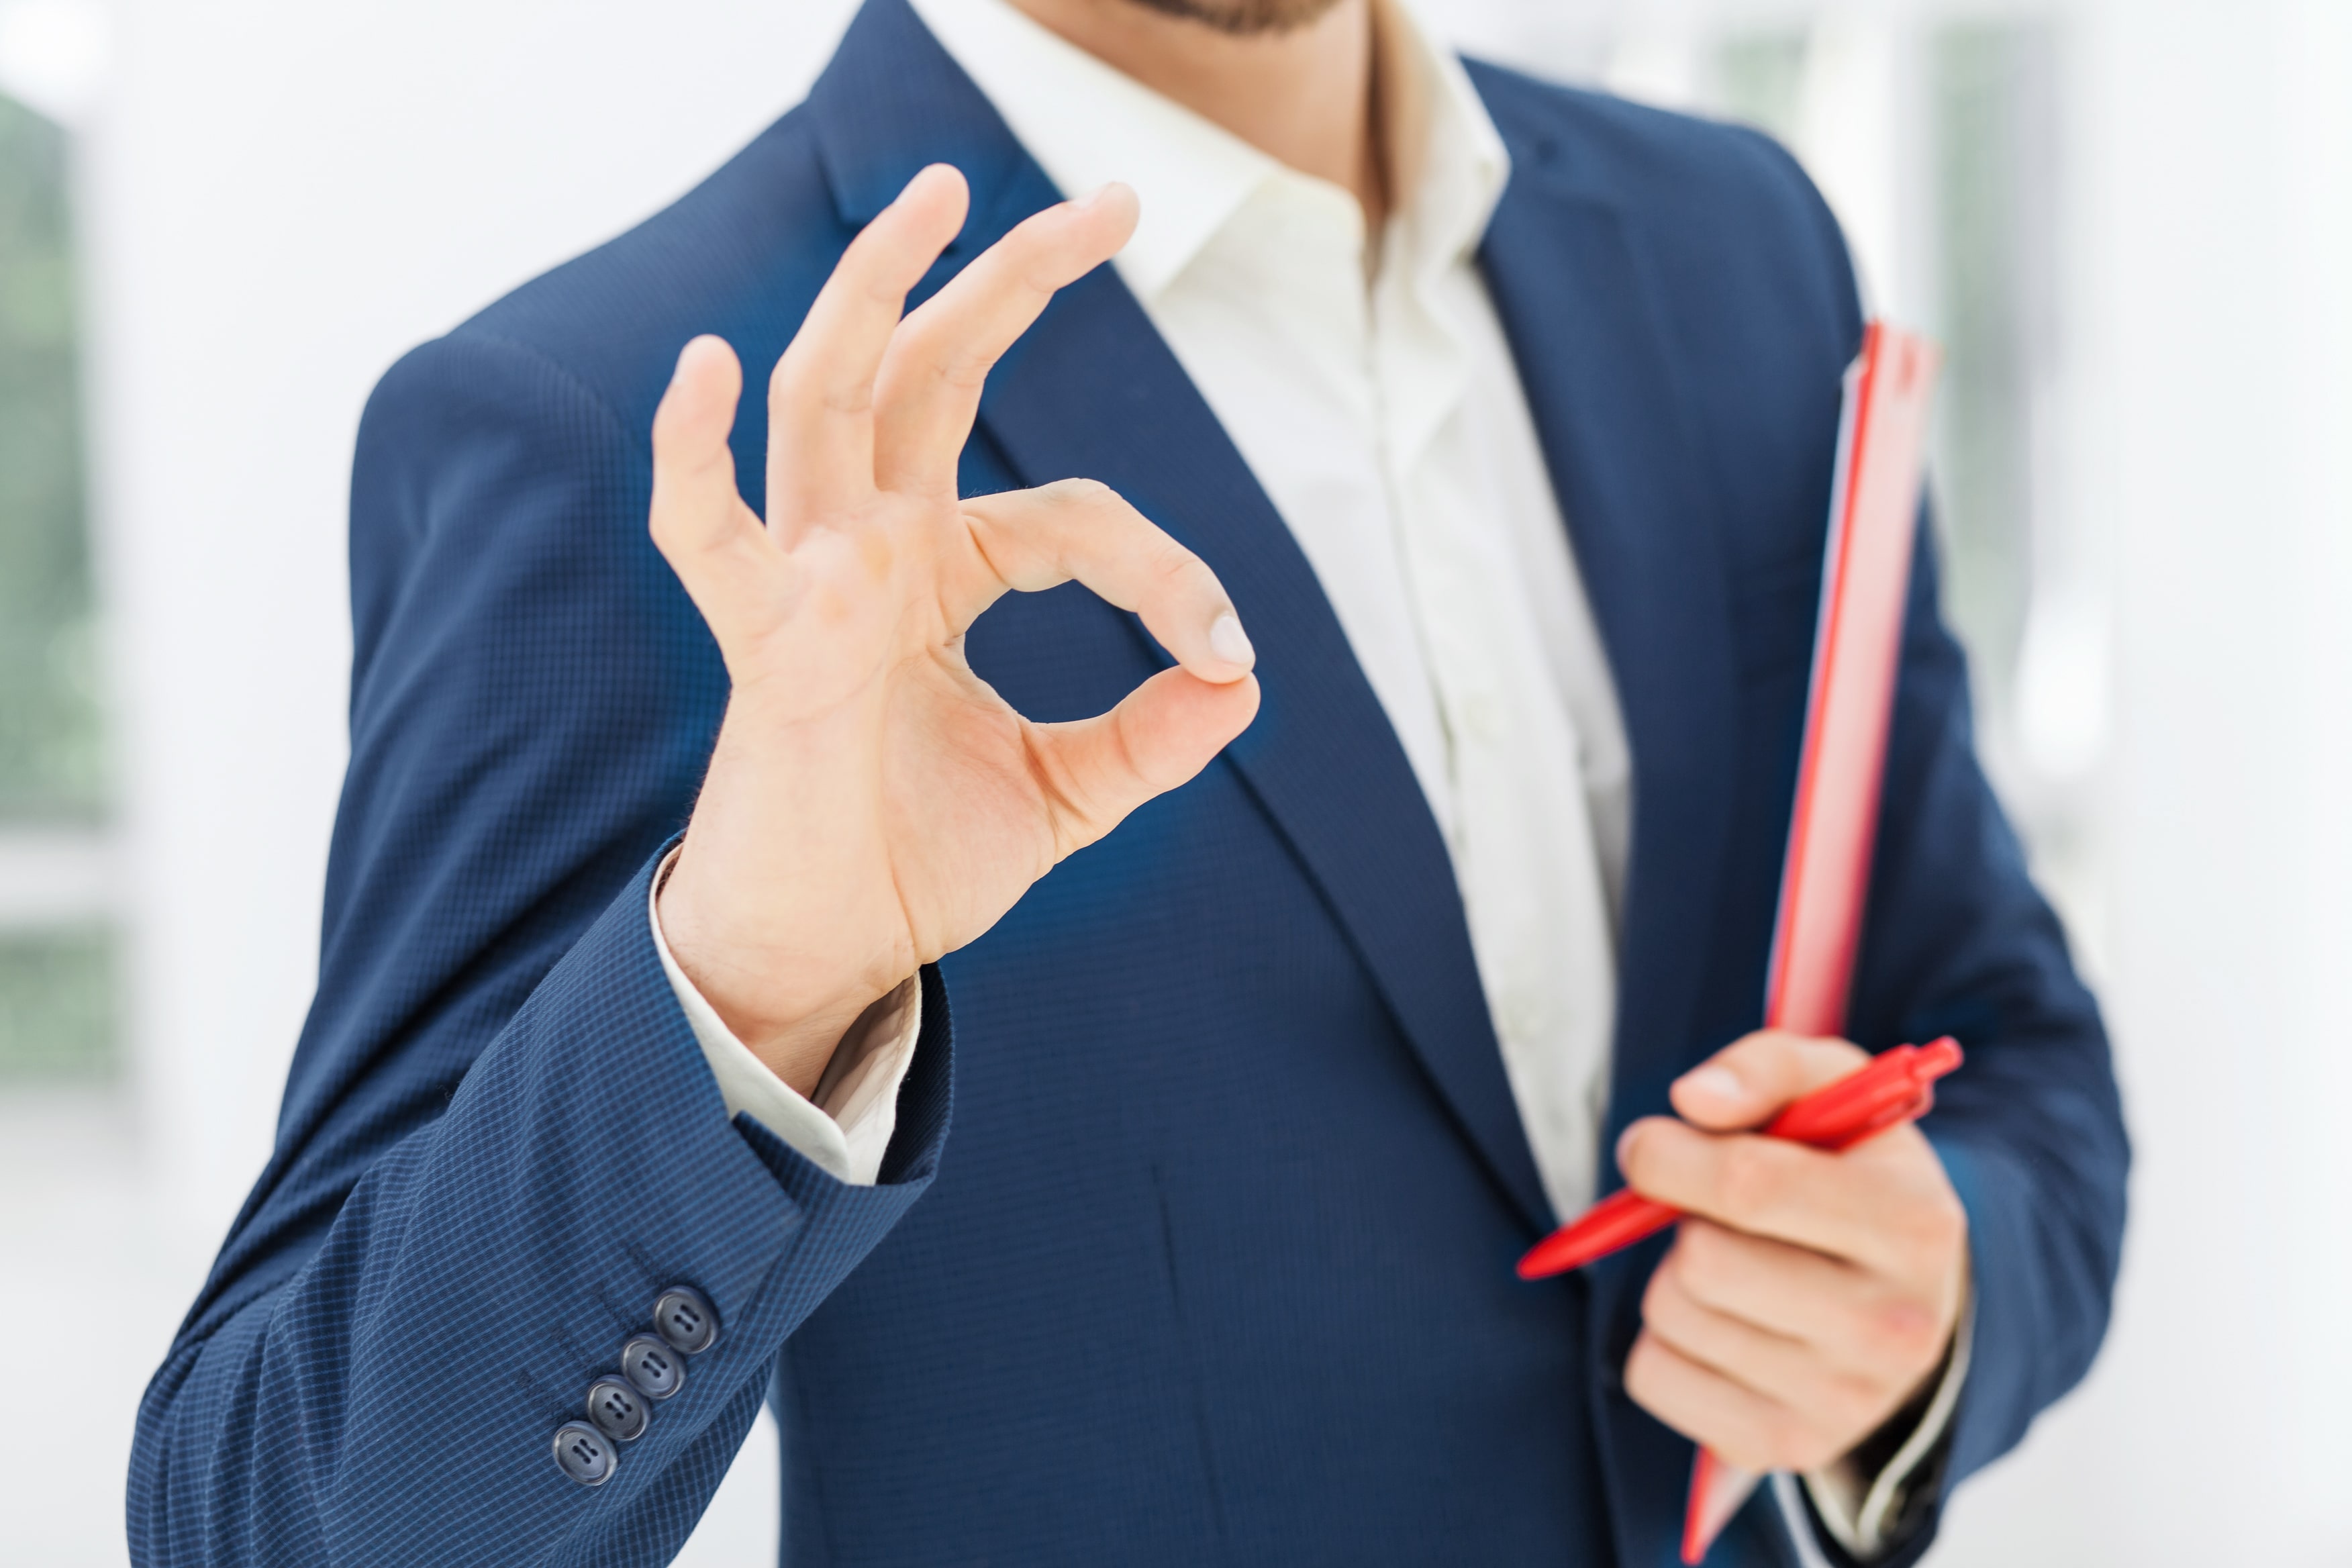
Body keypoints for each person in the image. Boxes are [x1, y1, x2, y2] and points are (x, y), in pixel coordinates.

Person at [126, 0, 2128, 1562]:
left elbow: (2013, 1053)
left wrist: (1933, 1306)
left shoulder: (1737, 256)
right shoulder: (621, 429)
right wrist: (749, 979)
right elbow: (283, 1525)